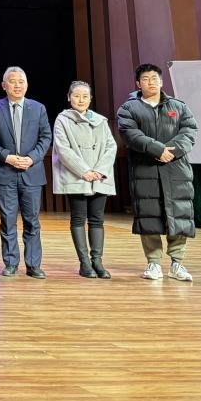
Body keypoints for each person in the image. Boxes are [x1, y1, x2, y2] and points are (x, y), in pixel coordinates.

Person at [116, 63, 198, 282]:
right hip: (145, 169)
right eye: (145, 79)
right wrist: (157, 149)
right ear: (138, 83)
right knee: (149, 215)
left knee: (179, 213)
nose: (150, 82)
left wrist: (172, 151)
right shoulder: (129, 108)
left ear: (161, 82)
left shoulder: (178, 106)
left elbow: (189, 131)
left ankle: (177, 263)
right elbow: (130, 134)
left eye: (154, 78)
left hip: (176, 168)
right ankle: (153, 263)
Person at [0, 66, 52, 279]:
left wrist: (31, 158)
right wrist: (7, 157)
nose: (17, 85)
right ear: (4, 86)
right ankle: (11, 263)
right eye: (12, 81)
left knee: (32, 221)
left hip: (32, 172)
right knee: (7, 220)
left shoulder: (38, 108)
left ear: (27, 85)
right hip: (5, 172)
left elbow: (46, 137)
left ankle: (33, 265)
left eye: (21, 81)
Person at [52, 81, 117, 279]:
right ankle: (84, 263)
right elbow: (63, 149)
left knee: (97, 219)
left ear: (90, 99)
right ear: (69, 97)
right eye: (76, 96)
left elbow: (111, 146)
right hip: (76, 176)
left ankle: (97, 261)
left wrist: (99, 171)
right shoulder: (62, 120)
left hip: (99, 177)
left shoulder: (100, 121)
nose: (81, 100)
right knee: (79, 218)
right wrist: (84, 171)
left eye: (85, 96)